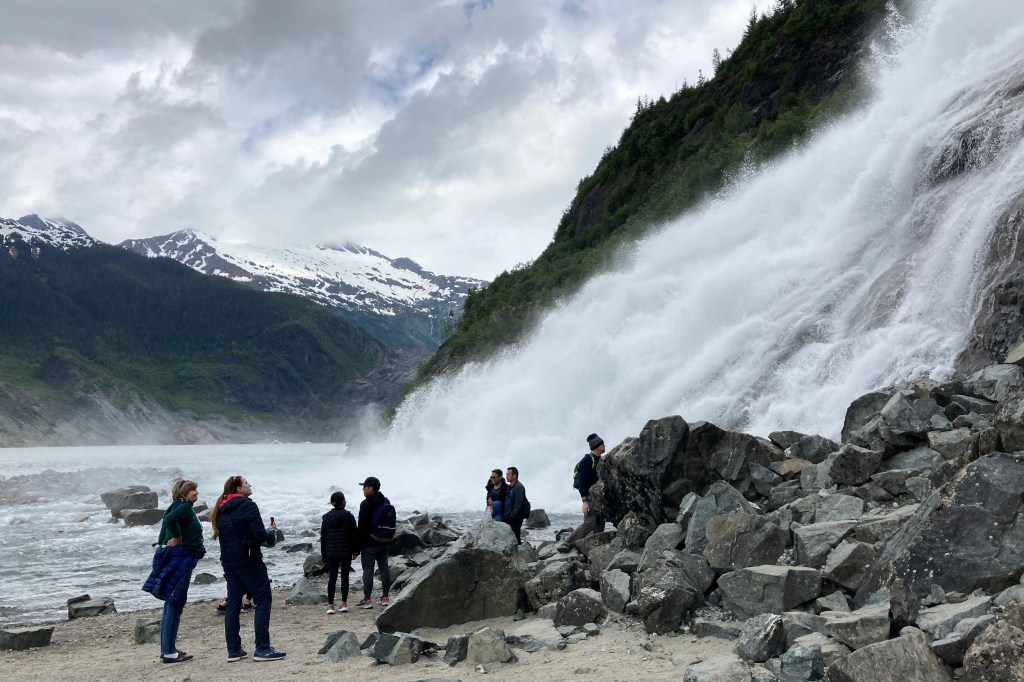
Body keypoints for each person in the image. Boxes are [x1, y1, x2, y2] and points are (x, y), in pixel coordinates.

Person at [210, 475, 285, 662]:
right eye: (246, 483)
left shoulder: (222, 508)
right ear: (238, 489)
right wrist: (271, 532)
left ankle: (234, 650)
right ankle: (262, 648)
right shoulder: (247, 505)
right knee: (263, 599)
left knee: (234, 603)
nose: (250, 485)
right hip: (248, 559)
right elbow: (259, 535)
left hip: (229, 561)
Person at [150, 479, 205, 664]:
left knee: (171, 603)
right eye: (192, 490)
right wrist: (177, 536)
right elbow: (169, 520)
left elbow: (166, 523)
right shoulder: (183, 507)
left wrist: (168, 540)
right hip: (181, 558)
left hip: (177, 557)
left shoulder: (176, 505)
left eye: (196, 489)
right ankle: (169, 652)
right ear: (183, 493)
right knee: (175, 602)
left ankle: (168, 650)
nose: (196, 493)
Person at [355, 476, 392, 609]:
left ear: (370, 488)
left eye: (364, 487)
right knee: (384, 569)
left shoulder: (366, 504)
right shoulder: (385, 500)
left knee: (368, 571)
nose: (363, 490)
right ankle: (385, 597)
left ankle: (367, 599)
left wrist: (356, 549)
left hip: (369, 544)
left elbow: (362, 528)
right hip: (384, 541)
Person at [321, 490, 357, 614]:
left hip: (331, 551)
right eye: (344, 500)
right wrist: (355, 551)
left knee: (332, 577)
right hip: (346, 551)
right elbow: (354, 535)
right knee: (345, 577)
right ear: (342, 502)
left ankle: (330, 605)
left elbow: (323, 538)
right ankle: (344, 604)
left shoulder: (326, 518)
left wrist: (324, 554)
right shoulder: (349, 516)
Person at [568, 433, 607, 544]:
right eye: (603, 444)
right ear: (597, 446)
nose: (605, 446)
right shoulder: (587, 460)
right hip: (589, 497)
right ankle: (568, 543)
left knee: (600, 523)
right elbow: (582, 482)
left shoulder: (600, 459)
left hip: (598, 497)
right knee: (589, 523)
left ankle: (596, 545)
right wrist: (584, 501)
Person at [503, 466, 529, 544]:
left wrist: (512, 516)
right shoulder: (510, 486)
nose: (506, 476)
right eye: (506, 474)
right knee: (511, 537)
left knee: (515, 537)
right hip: (509, 517)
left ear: (514, 476)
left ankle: (518, 553)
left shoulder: (519, 487)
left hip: (515, 518)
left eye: (508, 474)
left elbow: (519, 504)